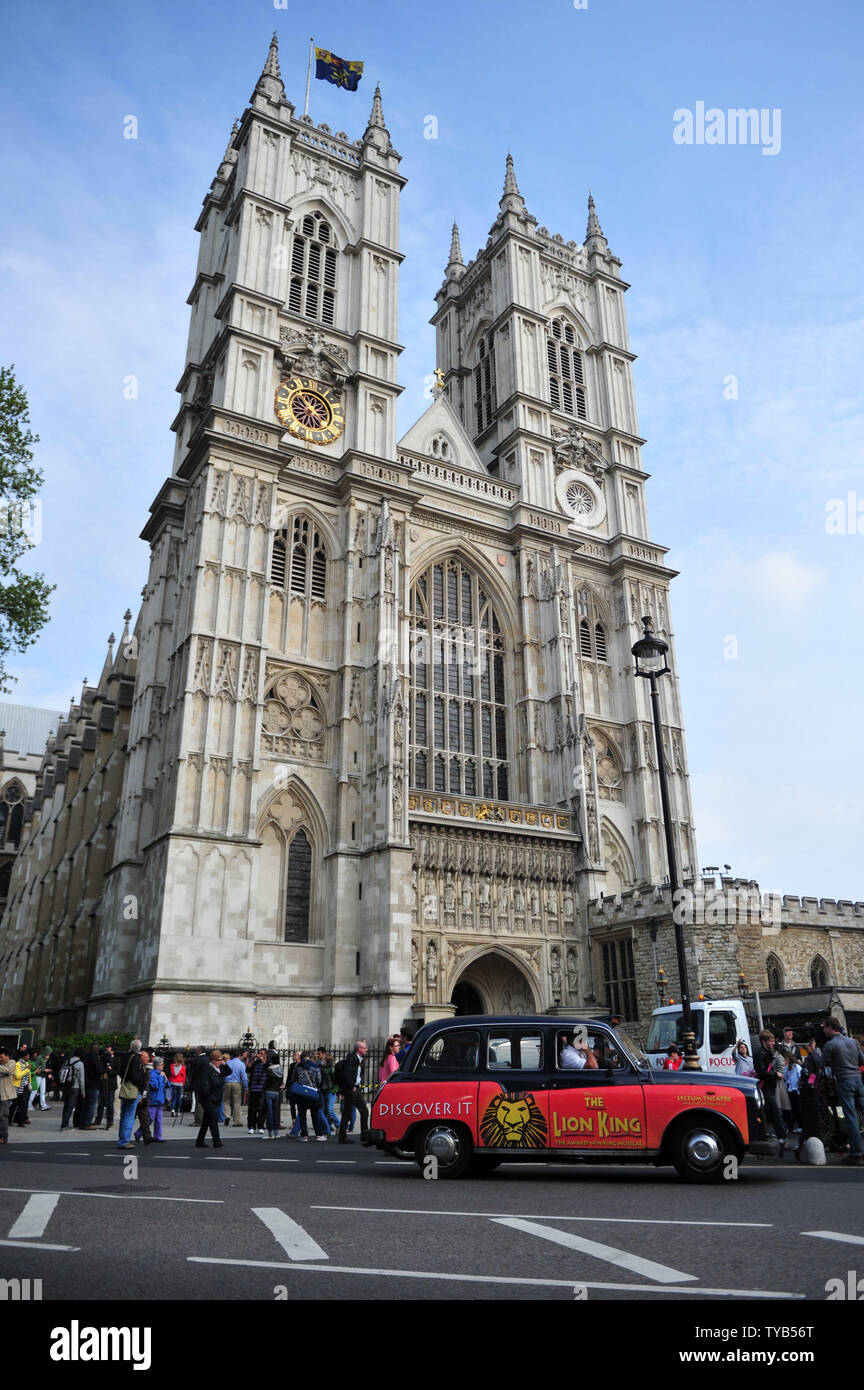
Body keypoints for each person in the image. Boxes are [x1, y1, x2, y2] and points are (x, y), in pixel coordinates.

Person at [821, 1017, 864, 1166]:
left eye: (824, 1027)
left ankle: (857, 1153)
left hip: (844, 1080)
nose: (823, 1030)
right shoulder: (853, 1042)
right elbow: (862, 1060)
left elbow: (821, 1063)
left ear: (830, 1027)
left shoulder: (830, 1044)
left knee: (851, 1117)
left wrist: (814, 1053)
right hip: (858, 1079)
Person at [117, 1044, 154, 1148]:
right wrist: (141, 1084)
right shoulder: (136, 1059)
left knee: (124, 1115)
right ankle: (124, 1141)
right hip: (133, 1090)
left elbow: (121, 1072)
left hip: (125, 1088)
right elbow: (135, 1076)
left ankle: (121, 1139)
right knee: (129, 1116)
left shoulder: (126, 1057)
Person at [754, 1031, 786, 1142]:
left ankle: (765, 1135)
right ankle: (782, 1138)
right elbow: (762, 1072)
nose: (773, 1042)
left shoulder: (765, 1052)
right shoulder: (761, 1054)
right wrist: (776, 1074)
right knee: (775, 1112)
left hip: (769, 1087)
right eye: (770, 1040)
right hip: (766, 1087)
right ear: (763, 1041)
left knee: (769, 1112)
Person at [336, 1040, 369, 1144]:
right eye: (364, 1047)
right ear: (359, 1049)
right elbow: (346, 1074)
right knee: (347, 1113)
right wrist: (352, 1086)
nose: (366, 1049)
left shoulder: (359, 1059)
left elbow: (358, 1074)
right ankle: (342, 1137)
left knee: (364, 1111)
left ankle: (364, 1134)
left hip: (356, 1089)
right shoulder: (352, 1059)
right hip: (351, 1090)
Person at [194, 1050, 226, 1149]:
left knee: (206, 1121)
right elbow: (204, 1085)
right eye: (218, 1060)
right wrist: (209, 1096)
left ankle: (200, 1140)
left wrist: (225, 1065)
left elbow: (229, 1072)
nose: (220, 1061)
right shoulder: (208, 1069)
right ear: (213, 1060)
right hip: (208, 1099)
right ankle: (217, 1141)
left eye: (221, 1060)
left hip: (216, 1098)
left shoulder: (219, 1069)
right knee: (213, 1120)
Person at [137, 1056, 168, 1142]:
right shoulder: (152, 1074)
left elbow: (167, 1084)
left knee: (158, 1120)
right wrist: (161, 1077)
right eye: (162, 1065)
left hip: (160, 1100)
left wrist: (165, 1078)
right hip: (153, 1100)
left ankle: (158, 1136)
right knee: (149, 1119)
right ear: (157, 1066)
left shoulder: (161, 1074)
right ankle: (139, 1133)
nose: (163, 1066)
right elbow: (155, 1086)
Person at [60, 1050, 85, 1130]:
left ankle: (64, 1123)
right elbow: (81, 1079)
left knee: (66, 1105)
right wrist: (83, 1091)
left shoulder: (67, 1061)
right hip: (75, 1087)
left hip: (66, 1085)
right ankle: (65, 1124)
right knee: (71, 1106)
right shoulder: (80, 1063)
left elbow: (61, 1072)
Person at [222, 1049, 248, 1127]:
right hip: (236, 1083)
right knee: (236, 1102)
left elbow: (223, 1073)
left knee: (226, 1101)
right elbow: (244, 1076)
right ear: (239, 1055)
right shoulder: (241, 1064)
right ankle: (236, 1121)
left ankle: (227, 1116)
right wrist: (246, 1086)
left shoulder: (228, 1063)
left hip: (227, 1082)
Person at [246, 1048, 268, 1134]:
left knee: (261, 1109)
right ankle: (251, 1126)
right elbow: (247, 1070)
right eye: (259, 1053)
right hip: (253, 1088)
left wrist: (262, 1059)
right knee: (252, 1109)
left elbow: (267, 1068)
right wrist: (251, 1059)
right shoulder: (255, 1063)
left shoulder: (267, 1063)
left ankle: (261, 1126)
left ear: (265, 1055)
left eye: (262, 1054)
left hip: (262, 1089)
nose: (260, 1055)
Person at [263, 1051, 284, 1139]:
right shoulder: (281, 1069)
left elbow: (266, 1082)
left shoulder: (269, 1069)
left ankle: (270, 1134)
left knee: (269, 1113)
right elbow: (281, 1082)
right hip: (277, 1092)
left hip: (269, 1091)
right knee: (276, 1112)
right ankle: (276, 1132)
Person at [96, 1045, 117, 1128]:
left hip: (111, 1084)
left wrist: (109, 1071)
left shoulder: (115, 1060)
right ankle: (98, 1119)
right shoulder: (101, 1061)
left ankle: (110, 1120)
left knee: (110, 1104)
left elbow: (117, 1071)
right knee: (101, 1103)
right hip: (102, 1084)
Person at [0, 1044, 17, 1144]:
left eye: (1, 1057)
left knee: (3, 1116)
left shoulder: (12, 1062)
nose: (0, 1059)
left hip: (5, 1095)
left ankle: (3, 1136)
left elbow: (9, 1071)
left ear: (7, 1056)